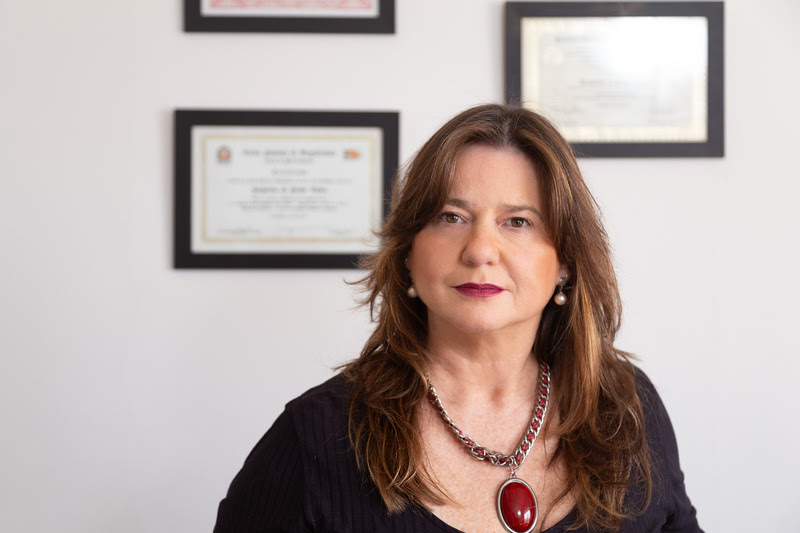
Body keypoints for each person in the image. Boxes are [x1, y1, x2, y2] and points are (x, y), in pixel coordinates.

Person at [213, 104, 701, 533]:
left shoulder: (626, 407)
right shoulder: (314, 438)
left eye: (518, 221)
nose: (480, 250)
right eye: (451, 217)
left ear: (566, 261)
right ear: (408, 252)